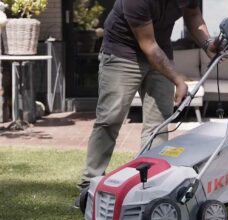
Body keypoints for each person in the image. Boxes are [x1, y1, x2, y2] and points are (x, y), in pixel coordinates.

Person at [76, 0, 218, 197]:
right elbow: (148, 45)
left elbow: (193, 14)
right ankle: (90, 182)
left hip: (160, 51)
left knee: (159, 122)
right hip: (122, 52)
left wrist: (207, 44)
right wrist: (178, 80)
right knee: (110, 118)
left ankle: (149, 181)